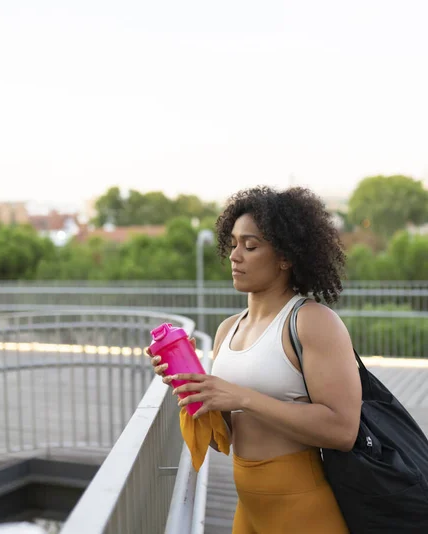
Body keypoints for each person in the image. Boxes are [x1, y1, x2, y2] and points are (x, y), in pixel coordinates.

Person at [149, 186, 361, 534]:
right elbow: (224, 439)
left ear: (286, 257)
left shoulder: (312, 321)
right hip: (247, 510)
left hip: (303, 511)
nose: (235, 255)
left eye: (250, 245)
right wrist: (188, 383)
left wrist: (242, 397)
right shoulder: (227, 330)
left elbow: (342, 430)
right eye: (233, 243)